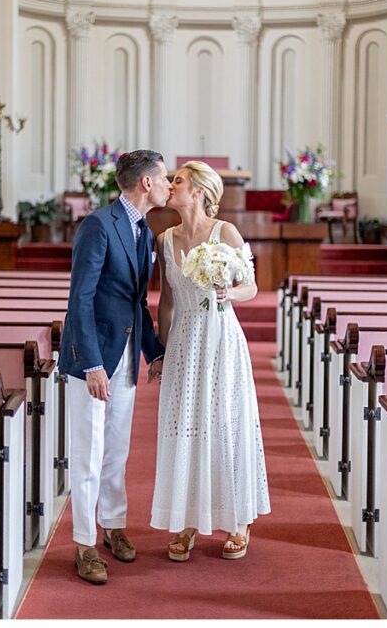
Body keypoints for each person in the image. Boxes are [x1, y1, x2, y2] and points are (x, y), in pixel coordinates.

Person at [148, 160, 271, 560]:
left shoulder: (226, 233)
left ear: (198, 190)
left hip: (221, 338)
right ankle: (186, 519)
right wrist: (163, 350)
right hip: (184, 340)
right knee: (185, 425)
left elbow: (251, 286)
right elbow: (166, 300)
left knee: (225, 422)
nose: (170, 186)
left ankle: (237, 520)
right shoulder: (164, 239)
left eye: (178, 181)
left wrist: (228, 294)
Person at [58, 149, 170, 585]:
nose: (167, 185)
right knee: (88, 455)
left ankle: (114, 526)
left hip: (124, 357)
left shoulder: (144, 229)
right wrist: (91, 364)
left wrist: (154, 351)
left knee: (117, 451)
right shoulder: (98, 225)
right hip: (94, 359)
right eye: (164, 179)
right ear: (145, 183)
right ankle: (84, 544)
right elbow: (79, 299)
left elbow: (136, 301)